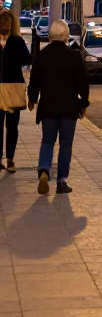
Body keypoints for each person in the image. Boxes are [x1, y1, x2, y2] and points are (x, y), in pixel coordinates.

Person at [27, 19, 89, 195]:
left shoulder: (42, 55)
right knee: (65, 145)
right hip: (69, 109)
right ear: (67, 36)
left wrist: (32, 99)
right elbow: (83, 84)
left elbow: (34, 81)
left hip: (48, 107)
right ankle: (61, 182)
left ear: (50, 35)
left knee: (47, 141)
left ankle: (45, 169)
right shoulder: (75, 56)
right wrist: (83, 103)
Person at [0, 10, 31, 174]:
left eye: (7, 21)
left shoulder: (17, 41)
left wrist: (14, 53)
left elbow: (27, 60)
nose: (5, 24)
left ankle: (10, 159)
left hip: (13, 88)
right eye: (2, 21)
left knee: (12, 126)